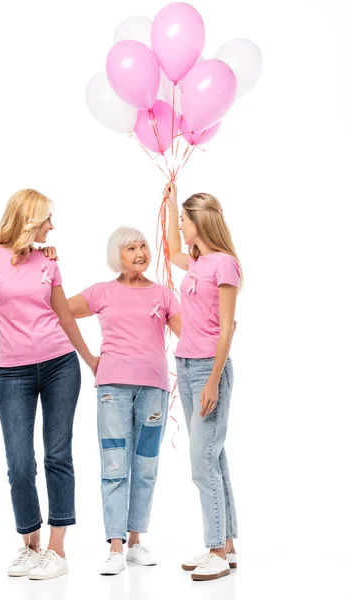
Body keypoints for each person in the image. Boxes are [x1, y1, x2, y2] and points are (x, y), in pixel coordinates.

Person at [0, 189, 98, 580]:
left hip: (60, 366)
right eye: (47, 219)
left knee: (58, 455)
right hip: (14, 373)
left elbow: (65, 316)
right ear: (29, 219)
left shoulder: (48, 261)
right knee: (19, 464)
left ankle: (56, 550)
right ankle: (30, 544)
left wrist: (88, 358)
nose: (52, 227)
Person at [67, 227, 181, 576]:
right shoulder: (102, 292)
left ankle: (134, 541)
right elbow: (59, 309)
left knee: (146, 467)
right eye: (130, 248)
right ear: (117, 255)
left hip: (154, 390)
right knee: (115, 465)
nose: (140, 252)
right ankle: (114, 545)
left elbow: (187, 334)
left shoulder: (163, 295)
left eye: (143, 245)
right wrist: (88, 356)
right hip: (113, 388)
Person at [164, 181, 241, 582]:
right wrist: (170, 199)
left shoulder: (224, 264)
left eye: (184, 219)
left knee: (202, 463)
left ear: (200, 222)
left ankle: (214, 549)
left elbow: (227, 328)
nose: (180, 225)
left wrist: (213, 380)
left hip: (210, 367)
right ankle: (225, 545)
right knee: (215, 457)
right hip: (187, 365)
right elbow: (168, 249)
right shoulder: (195, 262)